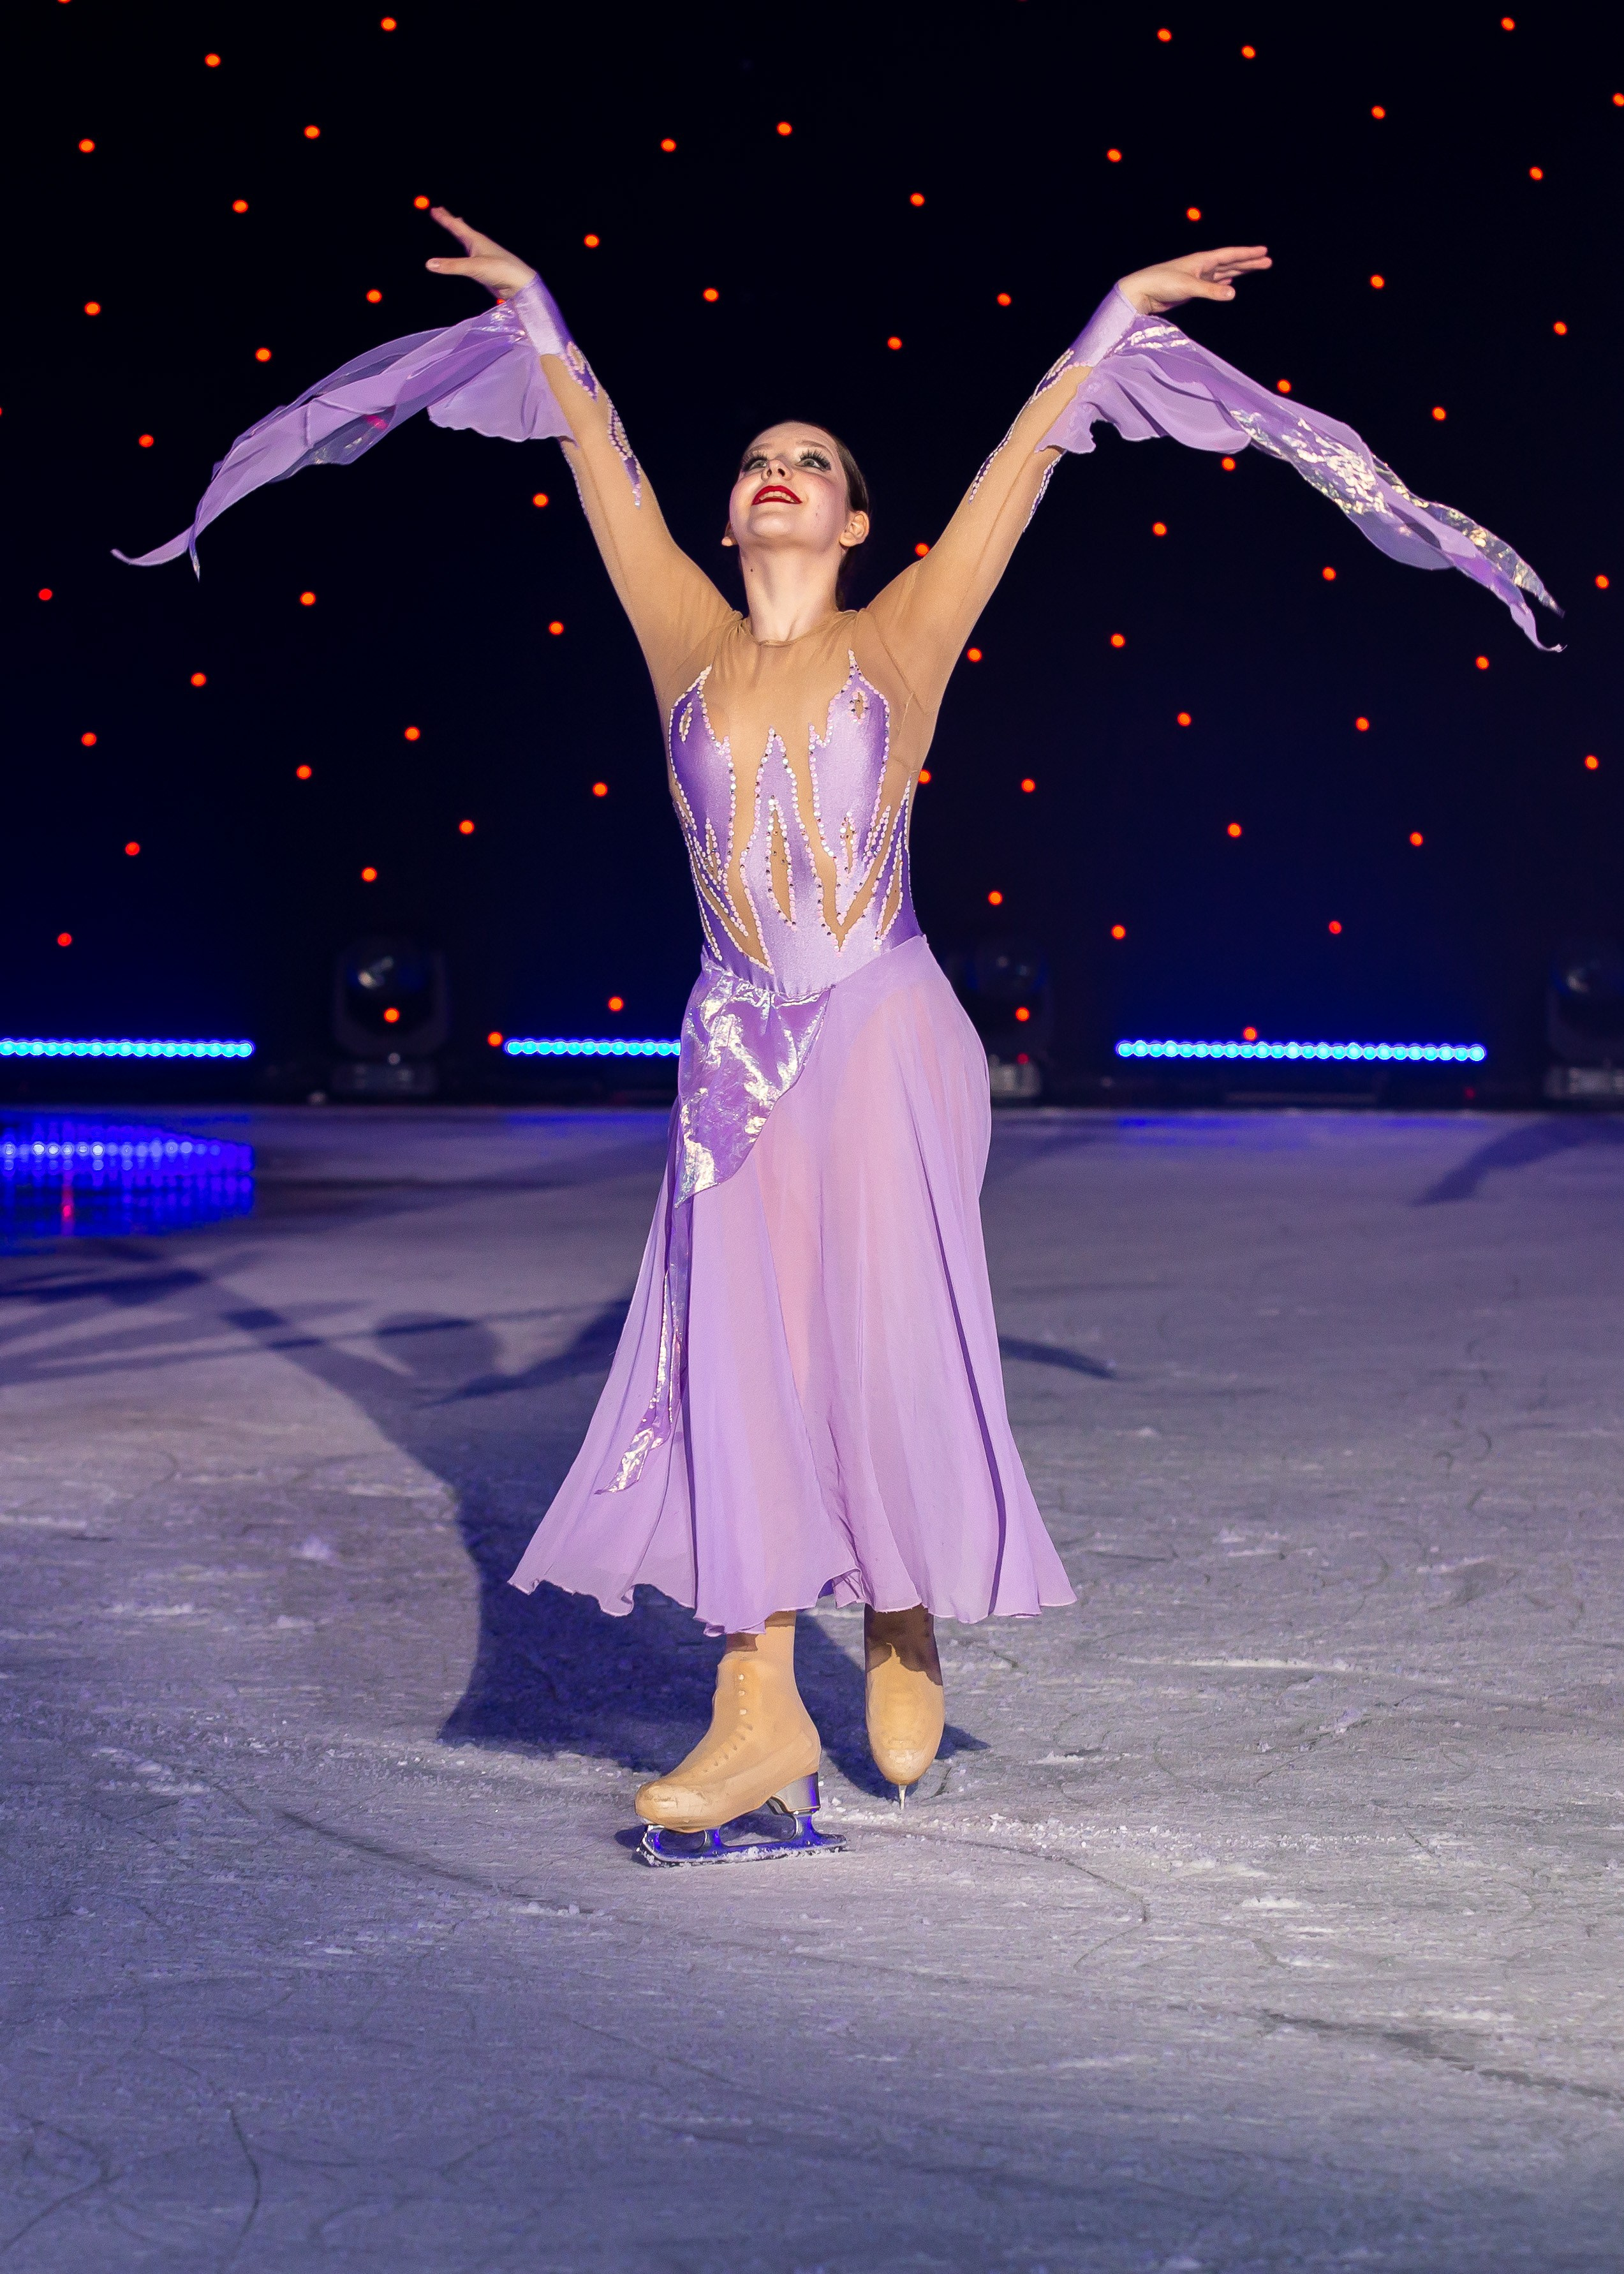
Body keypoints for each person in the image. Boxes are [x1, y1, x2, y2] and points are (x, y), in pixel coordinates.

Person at [120, 212, 1557, 1864]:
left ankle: (900, 1607)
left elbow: (1024, 467)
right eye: (758, 459)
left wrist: (1104, 323)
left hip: (881, 1029)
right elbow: (599, 467)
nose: (779, 470)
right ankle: (753, 1706)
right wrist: (540, 322)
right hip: (731, 1043)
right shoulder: (685, 635)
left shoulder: (901, 637)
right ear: (735, 512)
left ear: (859, 517)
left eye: (813, 460)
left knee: (875, 1341)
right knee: (735, 1361)